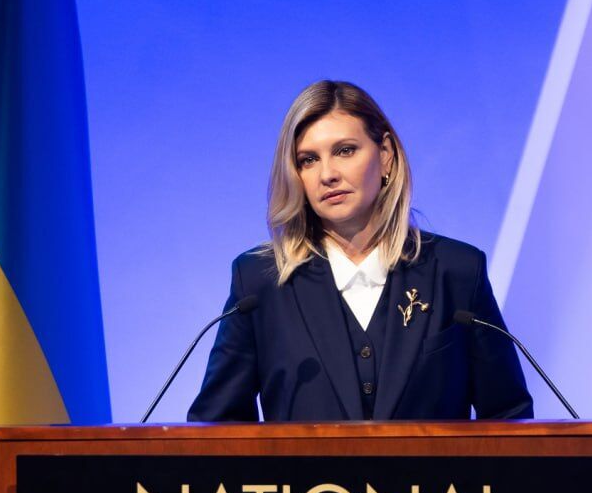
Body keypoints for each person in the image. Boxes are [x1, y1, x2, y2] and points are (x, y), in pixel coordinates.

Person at [188, 80, 533, 422]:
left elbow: (509, 418)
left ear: (385, 155)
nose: (327, 174)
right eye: (308, 160)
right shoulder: (260, 282)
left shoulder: (456, 271)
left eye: (345, 150)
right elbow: (217, 429)